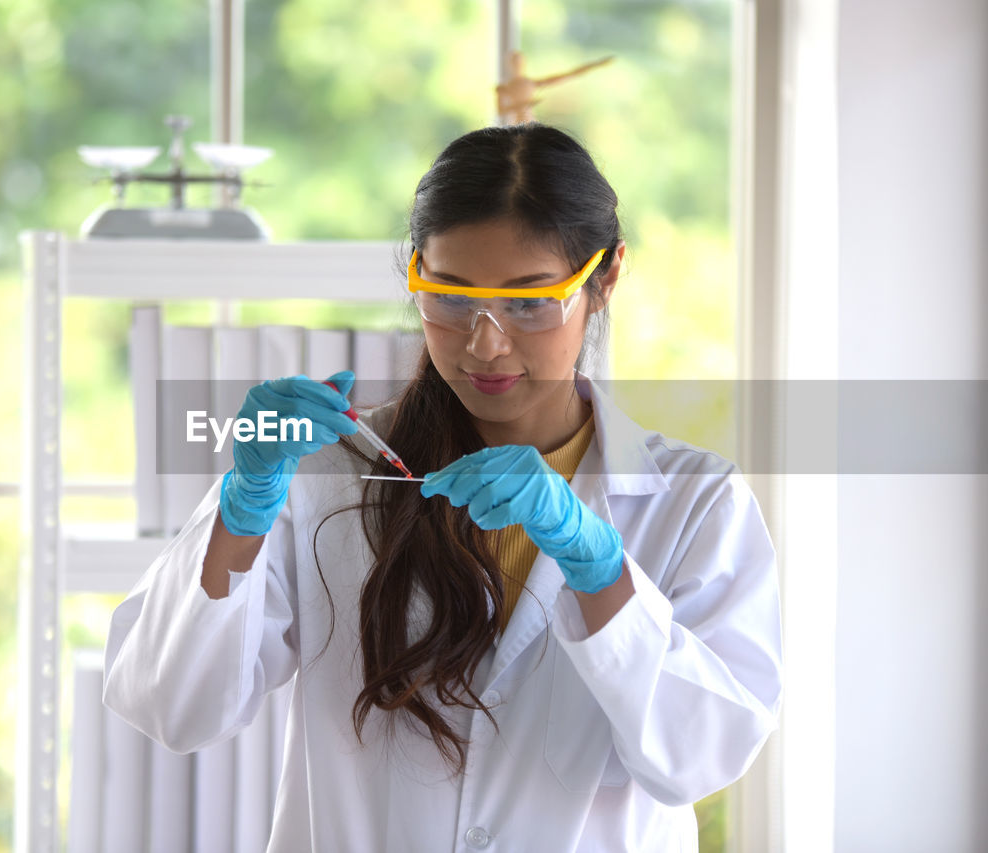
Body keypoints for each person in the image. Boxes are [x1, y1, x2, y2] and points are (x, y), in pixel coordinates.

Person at [103, 123, 783, 851]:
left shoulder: (697, 502)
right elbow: (174, 705)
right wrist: (242, 510)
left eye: (529, 302)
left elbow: (702, 756)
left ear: (606, 276)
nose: (485, 342)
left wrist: (603, 571)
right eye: (452, 298)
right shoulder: (323, 474)